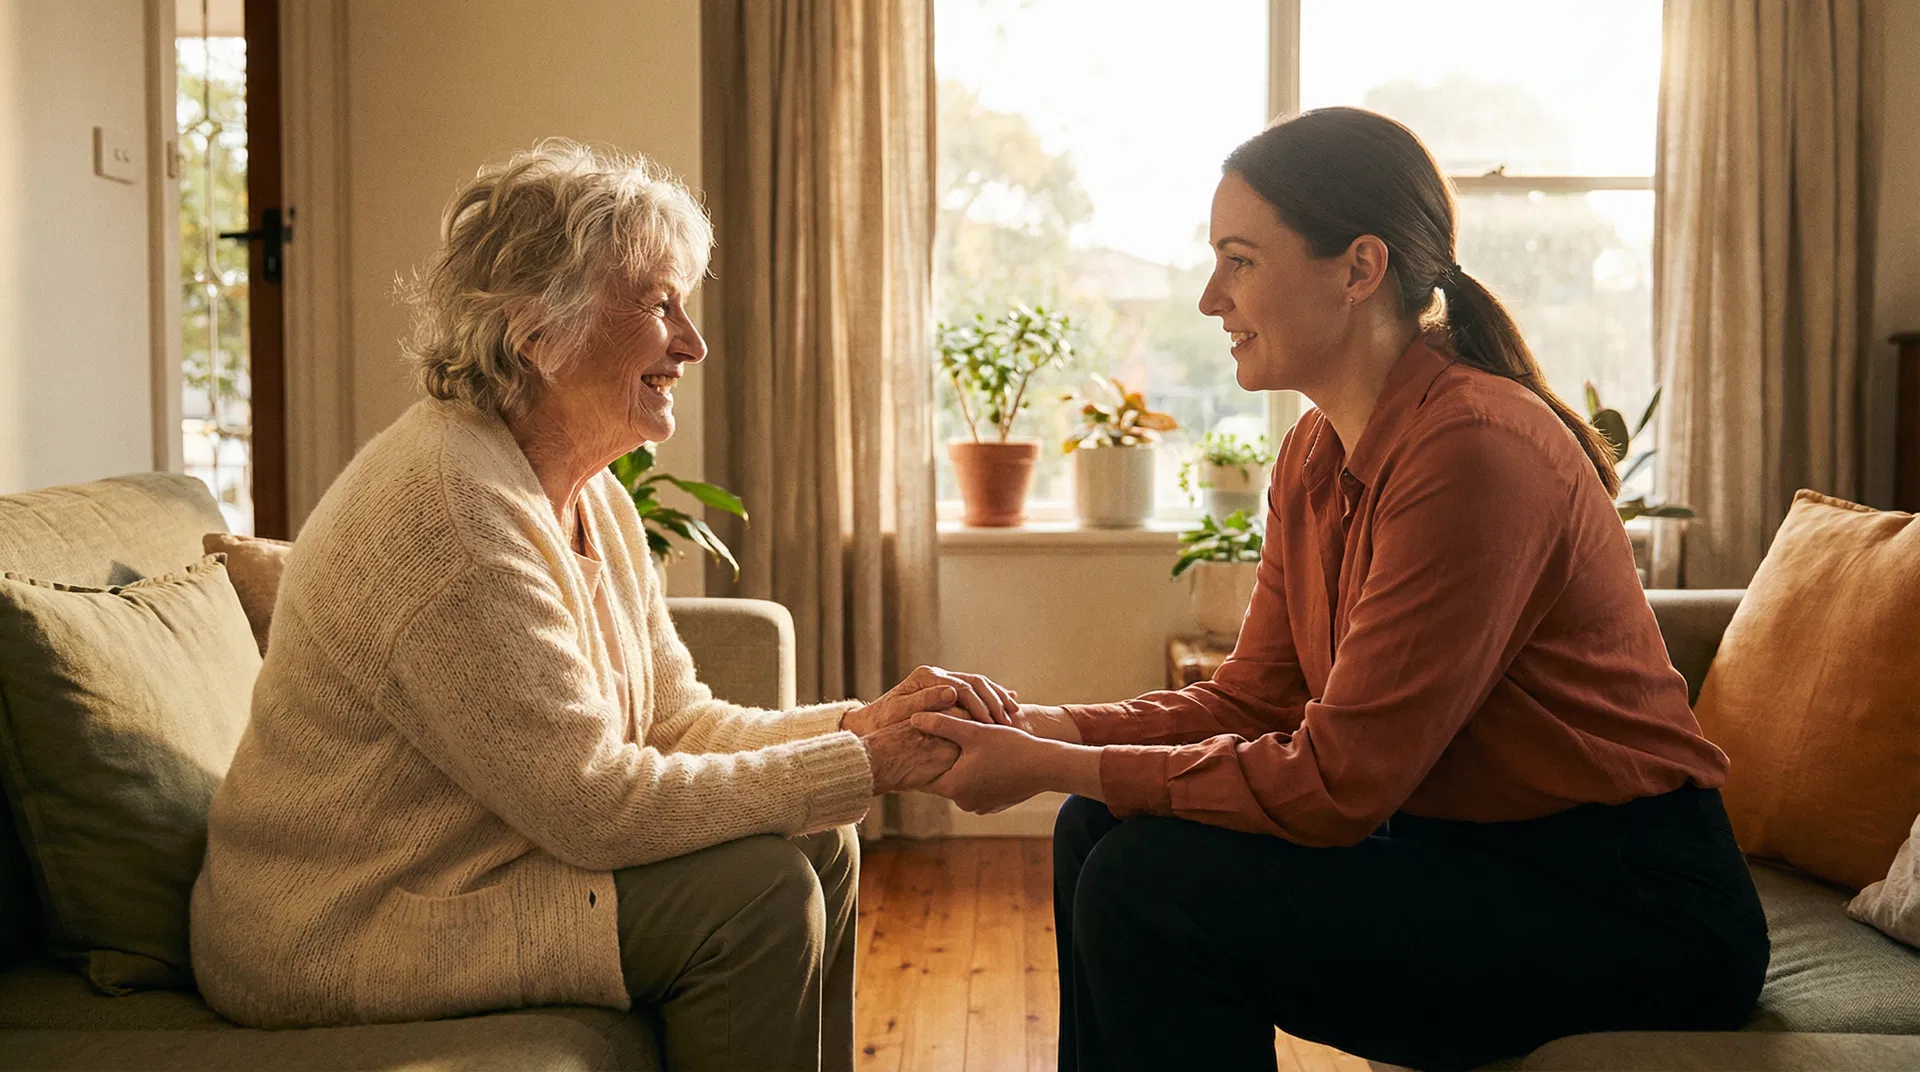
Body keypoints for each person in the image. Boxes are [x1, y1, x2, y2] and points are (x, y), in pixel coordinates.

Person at [912, 108, 1769, 1072]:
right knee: (1095, 825)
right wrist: (1041, 729)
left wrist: (1043, 763)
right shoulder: (1313, 452)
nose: (1210, 298)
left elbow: (1336, 785)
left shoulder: (1474, 449)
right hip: (1469, 856)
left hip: (1631, 907)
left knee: (1147, 885)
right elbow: (1252, 700)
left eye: (1239, 261)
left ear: (1359, 269)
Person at [191, 140, 1000, 1072]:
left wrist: (862, 728)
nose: (692, 343)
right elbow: (594, 807)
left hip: (468, 867)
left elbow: (675, 722)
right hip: (343, 916)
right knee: (759, 896)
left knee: (825, 842)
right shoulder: (452, 512)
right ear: (537, 333)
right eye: (659, 306)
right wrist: (863, 761)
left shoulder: (590, 492)